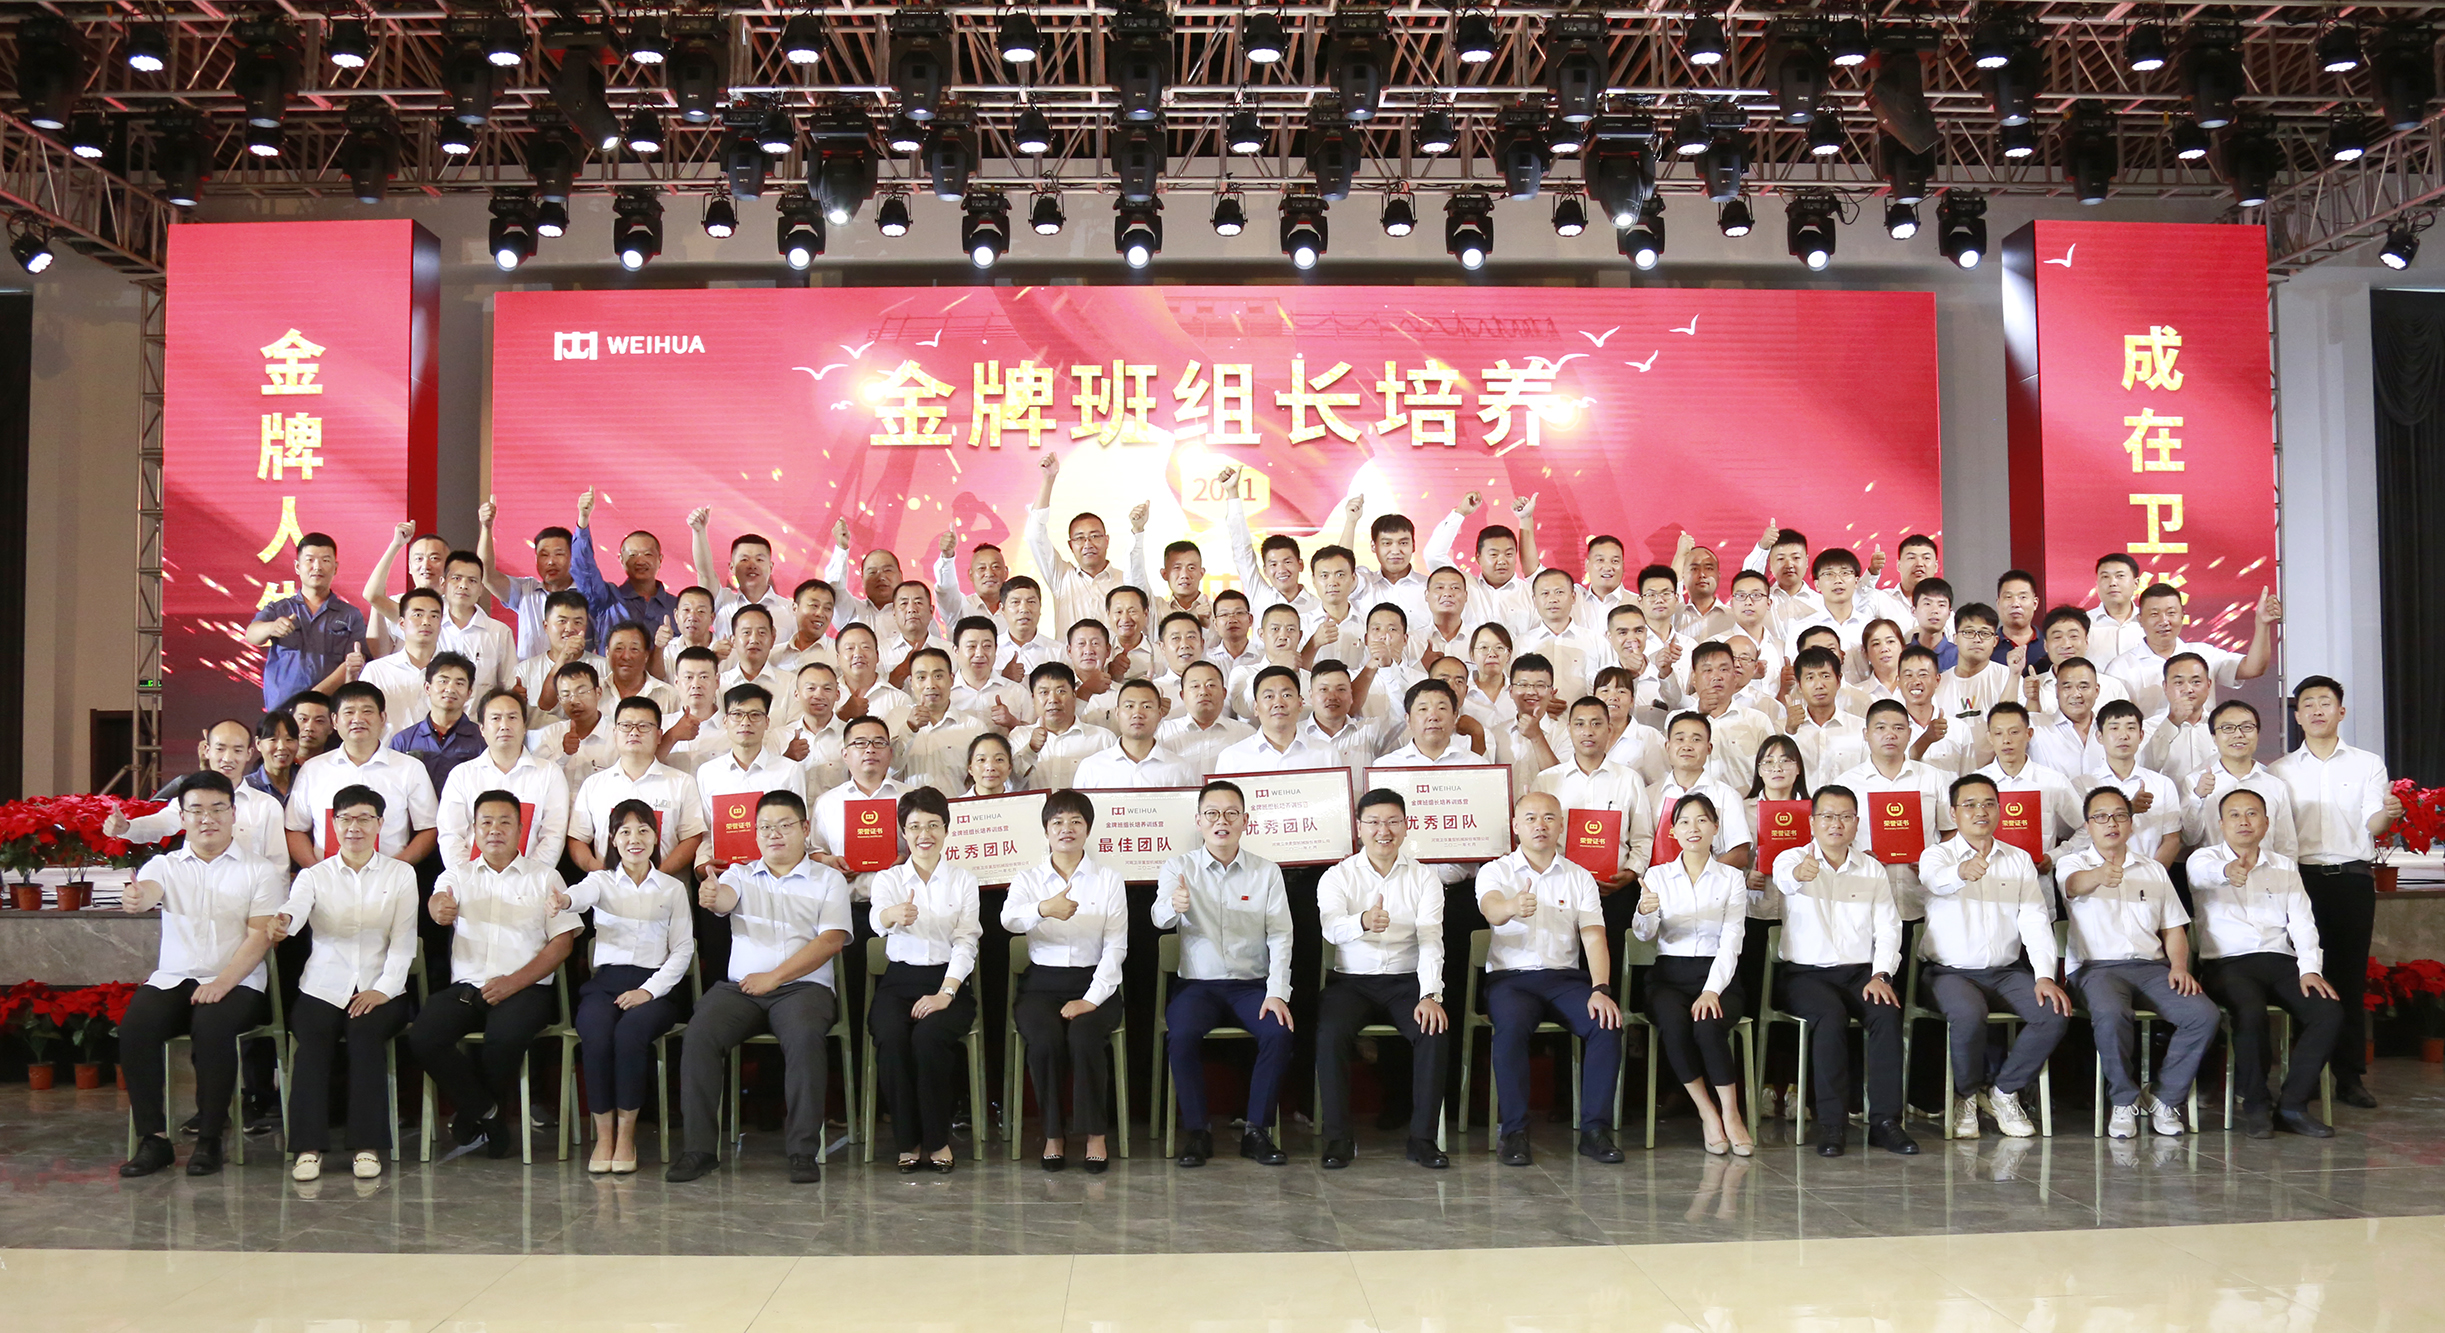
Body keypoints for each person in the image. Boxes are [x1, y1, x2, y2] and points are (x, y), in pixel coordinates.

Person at [668, 790, 855, 1184]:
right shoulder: (740, 874)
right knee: (699, 1032)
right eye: (765, 827)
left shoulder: (828, 879)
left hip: (804, 989)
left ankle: (803, 1151)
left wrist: (775, 977)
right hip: (742, 989)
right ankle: (699, 1150)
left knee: (804, 1038)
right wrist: (712, 896)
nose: (774, 834)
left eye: (784, 825)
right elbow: (724, 899)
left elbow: (831, 940)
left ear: (805, 828)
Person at [116, 773, 285, 1178]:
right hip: (175, 978)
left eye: (217, 809)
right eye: (196, 810)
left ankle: (209, 1139)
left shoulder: (260, 871)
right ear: (181, 816)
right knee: (136, 1027)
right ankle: (154, 1139)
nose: (207, 819)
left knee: (212, 1026)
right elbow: (148, 892)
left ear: (233, 813)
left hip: (237, 981)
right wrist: (136, 898)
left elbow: (260, 937)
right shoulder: (164, 865)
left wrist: (222, 983)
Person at [409, 790, 582, 1159]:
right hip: (467, 987)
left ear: (520, 829)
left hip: (525, 989)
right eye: (486, 822)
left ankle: (471, 1117)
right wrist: (439, 909)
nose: (495, 830)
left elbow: (562, 943)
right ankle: (486, 1112)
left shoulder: (545, 877)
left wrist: (513, 983)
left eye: (505, 822)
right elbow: (439, 902)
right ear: (474, 830)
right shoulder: (458, 875)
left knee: (504, 1038)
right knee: (424, 1034)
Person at [272, 784, 419, 1181]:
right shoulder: (313, 876)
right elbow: (295, 910)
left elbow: (403, 943)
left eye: (364, 818)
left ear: (380, 824)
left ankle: (366, 1146)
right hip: (322, 985)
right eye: (346, 819)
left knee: (365, 1037)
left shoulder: (401, 874)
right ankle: (307, 1148)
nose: (354, 827)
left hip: (381, 985)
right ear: (333, 824)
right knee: (312, 1042)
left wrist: (383, 990)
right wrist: (284, 922)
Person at [2058, 786, 2219, 1139]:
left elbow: (2173, 928)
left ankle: (2165, 1097)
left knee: (2203, 1015)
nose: (2111, 823)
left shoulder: (2153, 870)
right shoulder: (2073, 863)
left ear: (2131, 824)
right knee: (2111, 1013)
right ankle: (2123, 1100)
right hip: (2096, 969)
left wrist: (2179, 967)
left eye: (2120, 815)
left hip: (2152, 968)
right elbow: (2073, 885)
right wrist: (2100, 875)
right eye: (2101, 817)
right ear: (2088, 825)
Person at [1916, 774, 2071, 1140]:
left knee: (2053, 1012)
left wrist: (2044, 976)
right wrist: (1961, 872)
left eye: (1987, 804)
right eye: (1969, 805)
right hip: (1949, 973)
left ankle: (2003, 1092)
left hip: (2006, 972)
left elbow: (2034, 920)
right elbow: (1935, 880)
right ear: (1953, 813)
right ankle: (1966, 1097)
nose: (1980, 811)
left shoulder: (2018, 859)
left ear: (2000, 810)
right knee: (1969, 1015)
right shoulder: (1936, 855)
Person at [2269, 675, 2399, 1109]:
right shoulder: (2280, 771)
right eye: (2308, 703)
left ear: (2340, 711)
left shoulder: (2367, 763)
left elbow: (2373, 823)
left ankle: (2349, 1076)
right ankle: (2302, 1077)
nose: (2317, 710)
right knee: (2302, 976)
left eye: (2325, 702)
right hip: (2299, 881)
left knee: (2348, 977)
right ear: (2297, 715)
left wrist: (2389, 814)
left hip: (2351, 879)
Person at [1153, 779, 1295, 1167]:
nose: (1222, 821)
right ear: (1198, 821)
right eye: (1212, 813)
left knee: (1279, 1032)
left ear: (1245, 821)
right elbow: (1158, 919)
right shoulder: (1179, 867)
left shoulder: (1266, 872)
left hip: (1251, 986)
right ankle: (1198, 1133)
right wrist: (1173, 905)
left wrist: (1277, 992)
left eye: (1231, 813)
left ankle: (1257, 1131)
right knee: (1182, 1035)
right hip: (1197, 986)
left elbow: (1281, 935)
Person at [1479, 791, 1624, 1166]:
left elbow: (1594, 936)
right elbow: (1491, 909)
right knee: (1510, 1028)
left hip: (1565, 981)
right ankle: (1514, 1132)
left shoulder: (1579, 877)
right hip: (1511, 980)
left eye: (1548, 817)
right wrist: (1512, 906)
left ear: (1561, 826)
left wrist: (1601, 989)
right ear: (1515, 826)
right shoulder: (1496, 871)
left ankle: (1594, 1130)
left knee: (1606, 1023)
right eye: (1530, 818)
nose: (1539, 825)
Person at [1771, 785, 1917, 1157]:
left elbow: (1889, 927)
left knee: (1886, 1012)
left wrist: (1881, 974)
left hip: (1859, 974)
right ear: (1812, 822)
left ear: (1856, 822)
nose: (1836, 824)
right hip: (1804, 974)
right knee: (1830, 1016)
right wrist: (1802, 873)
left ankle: (1885, 1122)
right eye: (1827, 816)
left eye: (1845, 816)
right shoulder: (1792, 858)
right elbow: (1785, 879)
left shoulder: (1871, 868)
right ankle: (1832, 1124)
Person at [2189, 788, 2342, 1139]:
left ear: (2266, 822)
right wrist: (2228, 871)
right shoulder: (2203, 858)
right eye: (2234, 815)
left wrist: (2310, 969)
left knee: (2327, 1011)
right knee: (2250, 1011)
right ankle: (2256, 1104)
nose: (2244, 821)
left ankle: (2292, 1105)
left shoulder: (2283, 866)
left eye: (2252, 813)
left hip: (2280, 960)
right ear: (2221, 823)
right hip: (2227, 963)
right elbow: (2203, 876)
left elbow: (2302, 921)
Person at [1314, 788, 1450, 1170]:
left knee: (1433, 1030)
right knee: (1330, 1034)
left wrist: (1431, 995)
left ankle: (1423, 1140)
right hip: (1351, 982)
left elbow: (1431, 939)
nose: (1383, 831)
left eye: (1392, 821)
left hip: (1406, 982)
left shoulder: (1425, 878)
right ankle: (1338, 1139)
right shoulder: (1337, 876)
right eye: (1373, 822)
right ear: (1359, 828)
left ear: (1406, 826)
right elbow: (1330, 928)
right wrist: (1362, 921)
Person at [565, 798, 697, 1173]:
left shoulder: (672, 888)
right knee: (595, 1033)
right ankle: (603, 1137)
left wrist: (648, 991)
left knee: (630, 1035)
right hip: (606, 984)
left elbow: (683, 948)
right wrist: (564, 900)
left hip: (655, 987)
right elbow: (580, 897)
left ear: (656, 837)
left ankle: (626, 1137)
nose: (634, 839)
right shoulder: (600, 881)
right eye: (624, 831)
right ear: (612, 839)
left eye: (643, 830)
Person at [1003, 789, 1129, 1172]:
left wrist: (1091, 998)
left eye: (1076, 821)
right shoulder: (1028, 878)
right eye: (1057, 822)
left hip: (1095, 981)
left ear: (1087, 829)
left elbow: (1116, 947)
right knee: (1044, 1040)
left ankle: (1095, 1135)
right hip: (1041, 984)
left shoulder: (1109, 879)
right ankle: (1053, 1134)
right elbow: (1008, 920)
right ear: (1046, 831)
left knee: (1085, 1037)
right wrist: (1043, 909)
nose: (1066, 828)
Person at [866, 787, 983, 1173]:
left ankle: (936, 1139)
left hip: (947, 981)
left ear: (946, 829)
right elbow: (876, 920)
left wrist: (946, 992)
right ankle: (908, 1140)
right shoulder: (888, 879)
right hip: (898, 982)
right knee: (892, 1038)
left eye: (933, 825)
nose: (924, 834)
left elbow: (966, 941)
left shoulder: (964, 880)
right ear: (904, 832)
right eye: (915, 826)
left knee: (929, 1039)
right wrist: (892, 915)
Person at [1632, 792, 1754, 1156]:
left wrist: (1712, 990)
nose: (1693, 828)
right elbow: (1644, 935)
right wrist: (1645, 911)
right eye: (1684, 821)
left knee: (1708, 1025)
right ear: (1672, 832)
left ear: (1715, 827)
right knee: (1674, 1023)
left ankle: (1731, 1113)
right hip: (1668, 975)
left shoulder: (1731, 878)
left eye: (1702, 819)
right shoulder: (1657, 875)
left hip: (1718, 974)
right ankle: (1707, 1112)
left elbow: (1732, 941)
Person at [1534, 695, 1657, 936]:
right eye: (1579, 724)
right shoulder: (1547, 780)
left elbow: (1643, 837)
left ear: (1609, 729)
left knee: (1611, 955)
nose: (1587, 731)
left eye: (1596, 723)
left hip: (1615, 893)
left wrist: (1630, 873)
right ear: (1569, 729)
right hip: (1559, 890)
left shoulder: (1629, 779)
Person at [285, 681, 439, 871]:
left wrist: (396, 869)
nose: (358, 719)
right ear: (335, 720)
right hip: (327, 878)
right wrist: (317, 871)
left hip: (388, 879)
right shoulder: (313, 769)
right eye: (349, 712)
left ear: (382, 718)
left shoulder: (410, 768)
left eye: (367, 711)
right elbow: (295, 828)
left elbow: (429, 828)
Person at [110, 718, 291, 864]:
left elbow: (278, 865)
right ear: (207, 750)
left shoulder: (267, 806)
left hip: (250, 897)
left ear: (249, 753)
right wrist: (127, 827)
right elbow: (162, 823)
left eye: (237, 750)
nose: (228, 758)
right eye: (220, 749)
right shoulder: (190, 800)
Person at [568, 696, 708, 877]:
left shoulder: (682, 782)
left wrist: (656, 876)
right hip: (607, 888)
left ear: (659, 735)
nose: (634, 732)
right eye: (626, 726)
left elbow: (691, 837)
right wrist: (602, 875)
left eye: (644, 726)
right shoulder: (593, 784)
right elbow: (577, 839)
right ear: (614, 733)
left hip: (666, 887)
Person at [437, 688, 570, 866]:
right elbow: (450, 836)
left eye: (512, 717)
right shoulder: (461, 775)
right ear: (482, 729)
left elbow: (553, 836)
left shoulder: (549, 773)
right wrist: (467, 876)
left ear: (524, 727)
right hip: (471, 877)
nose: (504, 725)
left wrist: (529, 876)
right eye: (495, 718)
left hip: (531, 878)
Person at [247, 531, 367, 710]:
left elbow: (353, 661)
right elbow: (251, 635)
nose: (317, 567)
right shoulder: (280, 609)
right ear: (297, 566)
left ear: (335, 567)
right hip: (283, 710)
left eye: (325, 560)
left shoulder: (350, 614)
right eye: (310, 560)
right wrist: (271, 627)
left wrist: (313, 698)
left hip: (329, 709)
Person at [2179, 700, 2297, 859]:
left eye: (2247, 727)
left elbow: (2286, 845)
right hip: (2215, 872)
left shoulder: (2275, 784)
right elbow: (2189, 838)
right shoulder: (2195, 782)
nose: (2238, 734)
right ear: (2214, 737)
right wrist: (2198, 796)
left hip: (2265, 872)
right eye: (2227, 728)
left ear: (2257, 733)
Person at [1026, 453, 1126, 637]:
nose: (1088, 544)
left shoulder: (1125, 581)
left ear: (1107, 540)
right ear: (1071, 545)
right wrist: (1049, 479)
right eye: (1080, 538)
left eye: (1095, 536)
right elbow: (1034, 535)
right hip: (1067, 657)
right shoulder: (1061, 577)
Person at [476, 494, 584, 659]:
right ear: (536, 560)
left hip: (575, 673)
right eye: (544, 555)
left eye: (559, 554)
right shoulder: (525, 590)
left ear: (572, 557)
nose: (551, 561)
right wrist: (486, 527)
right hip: (530, 674)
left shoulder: (587, 593)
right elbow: (486, 575)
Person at [387, 651, 485, 793]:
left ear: (469, 693)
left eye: (459, 683)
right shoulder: (403, 741)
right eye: (443, 681)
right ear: (428, 688)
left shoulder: (483, 740)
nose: (450, 689)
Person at [1072, 678, 1198, 788]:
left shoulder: (1179, 768)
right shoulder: (1091, 768)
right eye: (1129, 706)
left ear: (1160, 714)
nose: (1137, 714)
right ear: (1117, 713)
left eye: (1147, 706)